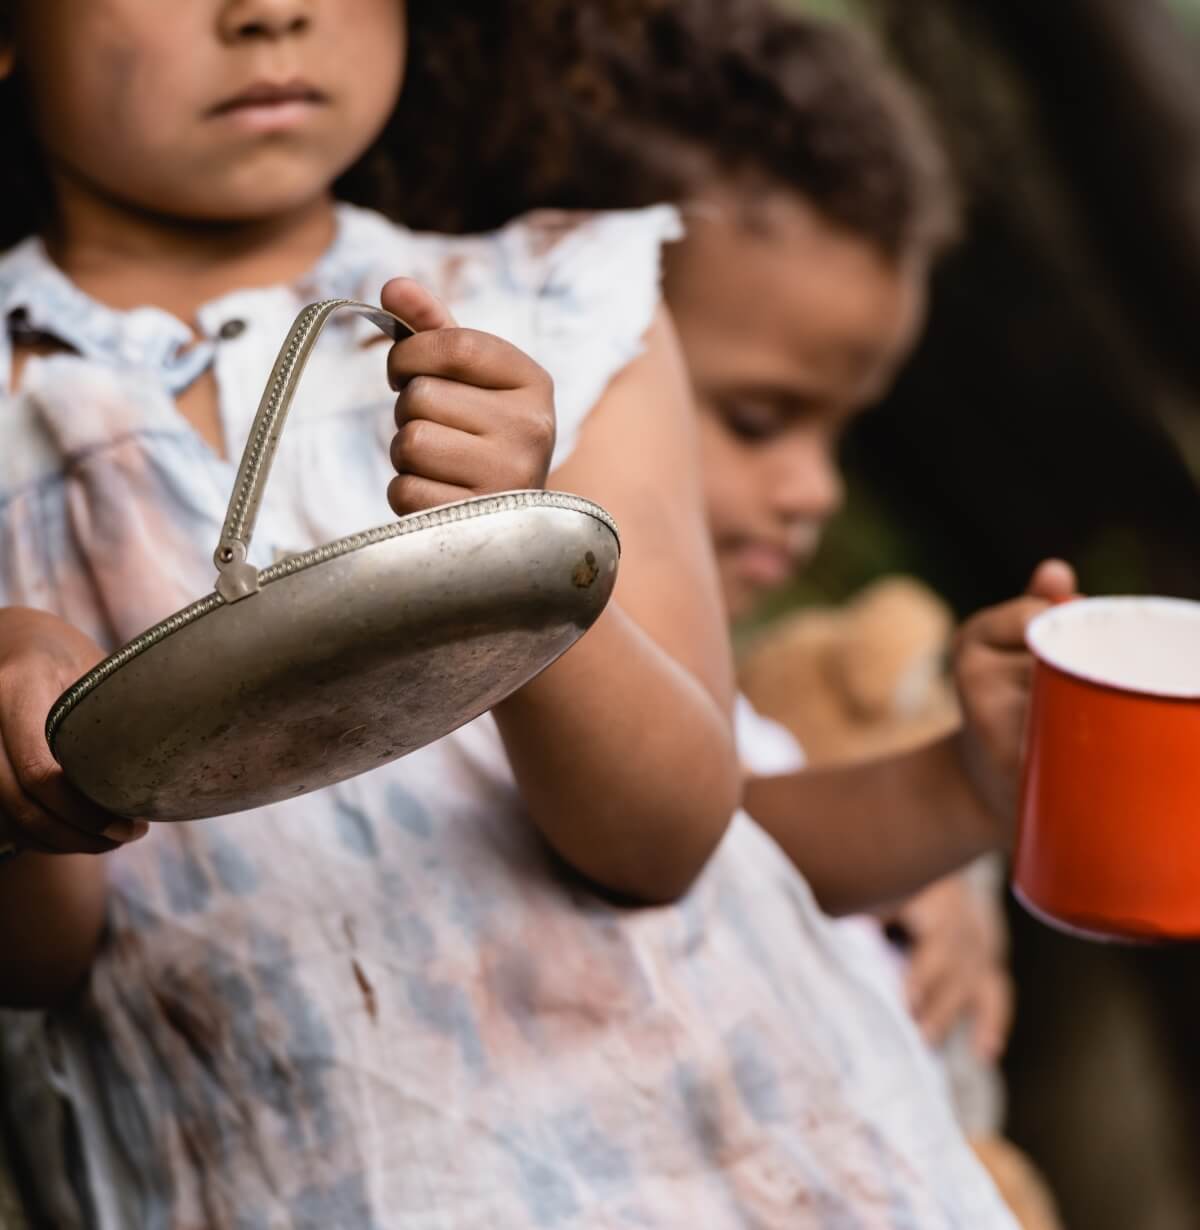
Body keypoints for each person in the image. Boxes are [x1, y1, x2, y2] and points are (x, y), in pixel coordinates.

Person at [0, 2, 1067, 1227]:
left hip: (737, 1160)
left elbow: (663, 837)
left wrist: (522, 544)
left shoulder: (562, 303)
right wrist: (27, 752)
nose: (272, 12)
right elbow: (40, 967)